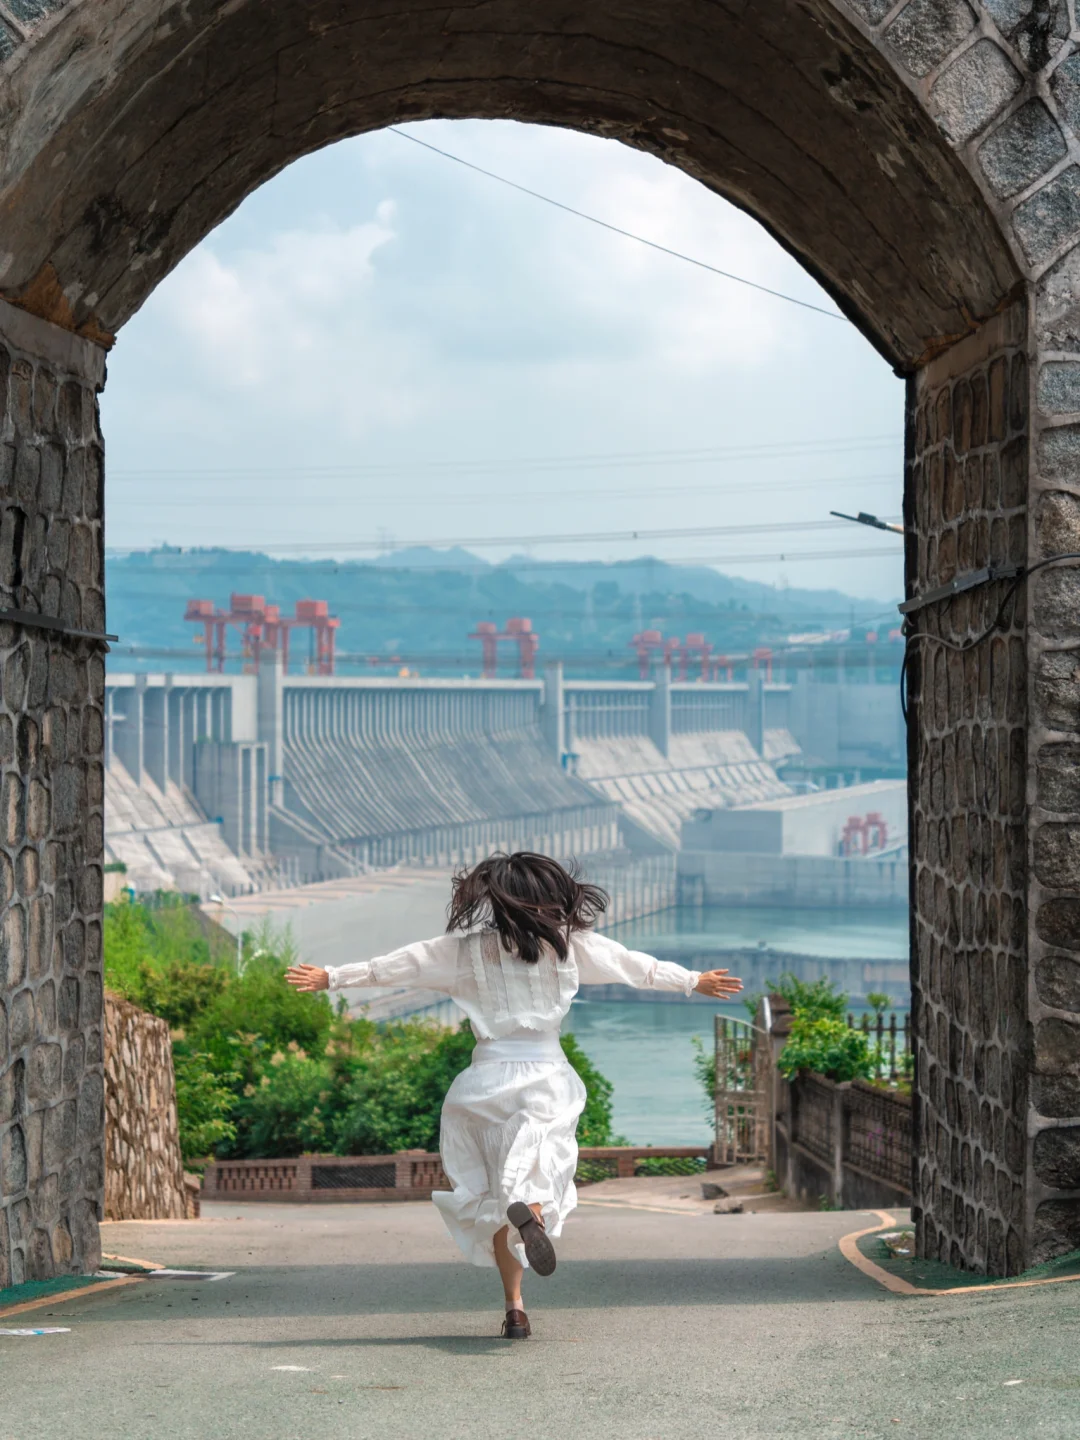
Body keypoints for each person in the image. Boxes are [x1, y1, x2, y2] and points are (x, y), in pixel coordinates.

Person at [285, 851, 742, 1339]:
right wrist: (693, 981)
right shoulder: (568, 947)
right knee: (547, 1164)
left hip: (485, 1083)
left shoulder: (462, 951)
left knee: (504, 1195)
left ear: (494, 900)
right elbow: (636, 967)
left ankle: (515, 1307)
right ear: (549, 898)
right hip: (546, 1076)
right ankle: (537, 1214)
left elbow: (396, 966)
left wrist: (332, 977)